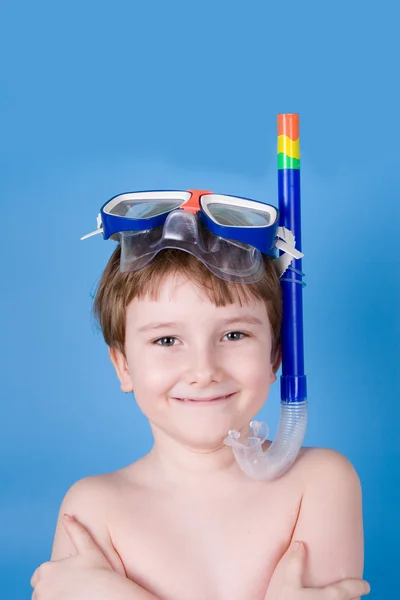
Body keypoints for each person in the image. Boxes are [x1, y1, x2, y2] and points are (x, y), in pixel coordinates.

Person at [31, 191, 370, 600]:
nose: (204, 370)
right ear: (123, 366)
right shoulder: (93, 509)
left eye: (233, 334)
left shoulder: (319, 483)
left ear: (276, 354)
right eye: (167, 339)